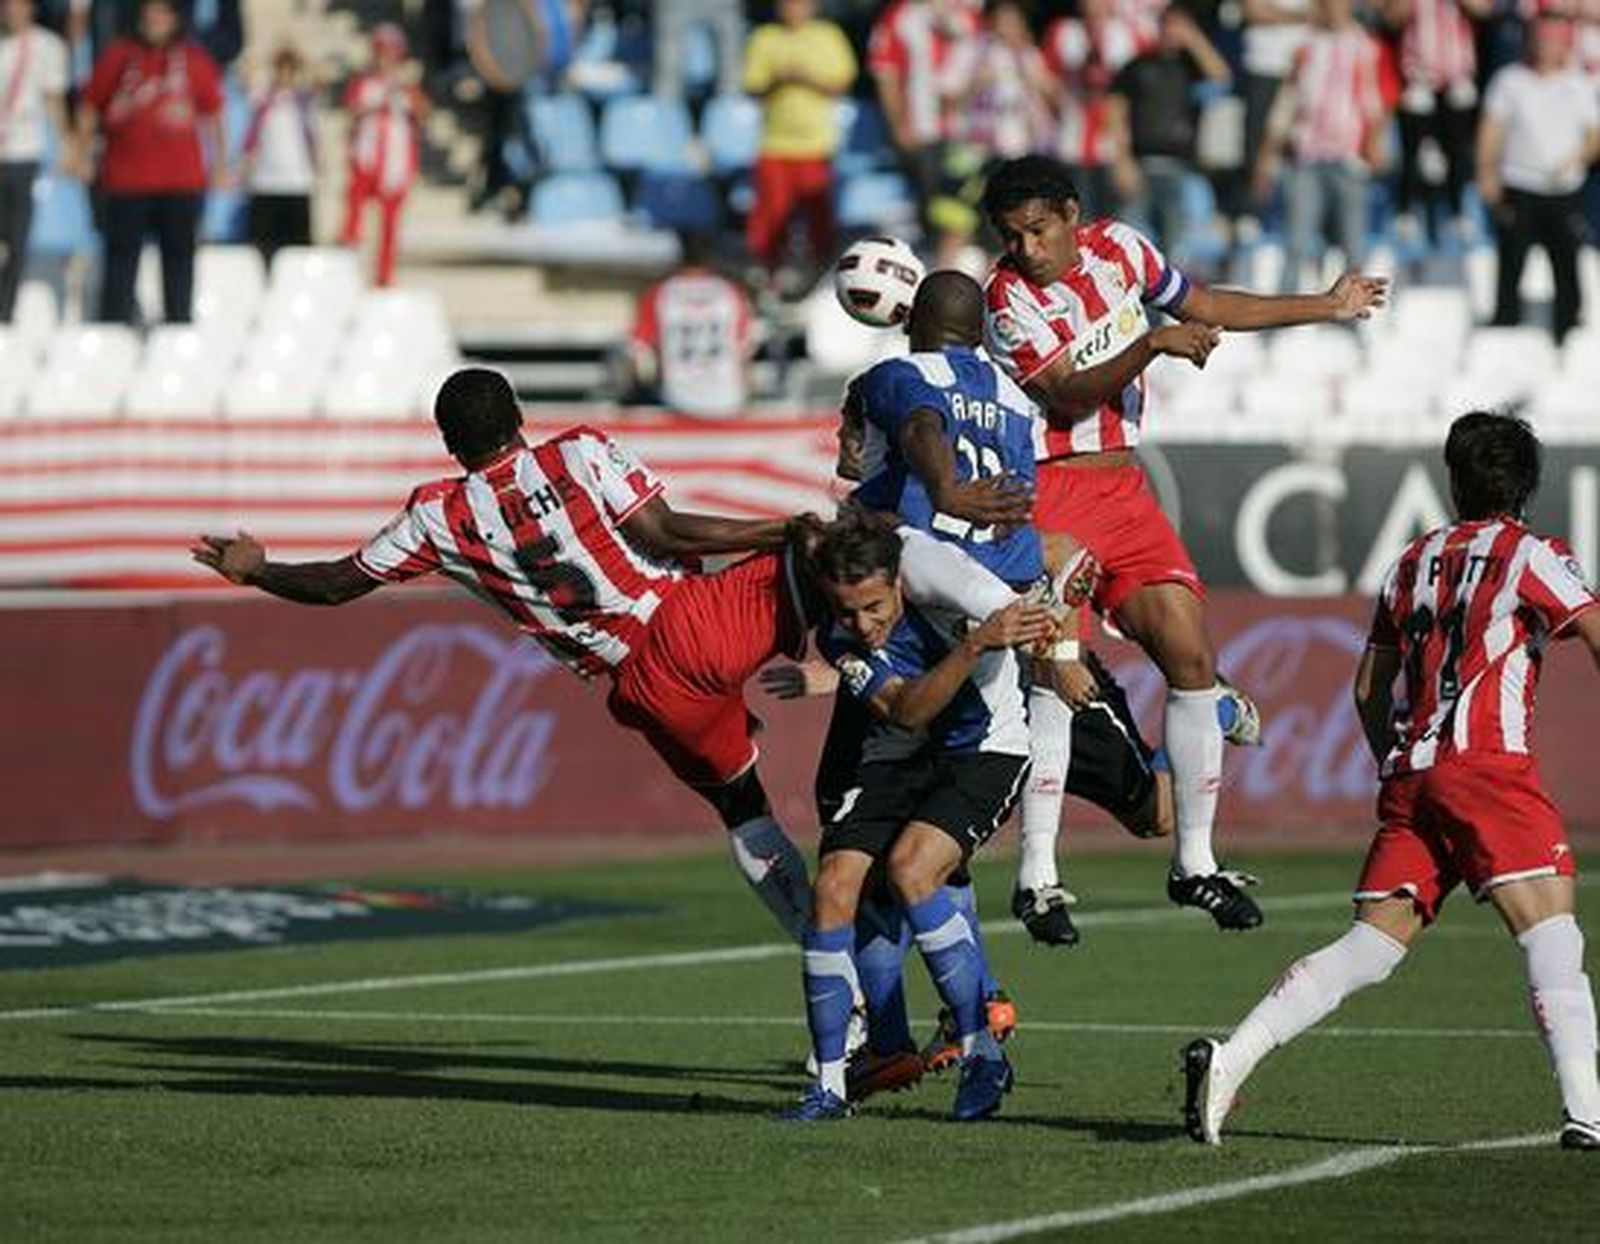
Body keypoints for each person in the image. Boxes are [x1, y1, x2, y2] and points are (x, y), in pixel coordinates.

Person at [191, 366, 816, 951]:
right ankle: (888, 719)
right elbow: (665, 532)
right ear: (518, 414)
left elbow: (335, 584)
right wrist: (785, 530)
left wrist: (259, 571)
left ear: (448, 444)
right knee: (843, 557)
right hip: (691, 619)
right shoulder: (576, 451)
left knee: (743, 811)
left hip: (645, 688)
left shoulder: (437, 517)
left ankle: (828, 959)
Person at [979, 153, 1387, 931]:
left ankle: (1194, 864)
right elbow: (1069, 390)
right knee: (1057, 667)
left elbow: (1202, 301)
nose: (1027, 249)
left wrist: (1326, 305)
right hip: (1048, 489)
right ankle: (1037, 877)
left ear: (1070, 214)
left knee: (1191, 656)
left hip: (1124, 490)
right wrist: (1154, 346)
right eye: (1012, 236)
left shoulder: (1122, 249)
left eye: (1037, 231)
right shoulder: (1006, 299)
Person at [1183, 411, 1600, 1151]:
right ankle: (1588, 1113)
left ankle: (1232, 1057)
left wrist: (1394, 760)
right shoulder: (1533, 554)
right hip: (1487, 767)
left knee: (1371, 946)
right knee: (1552, 932)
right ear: (1527, 486)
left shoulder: (1410, 560)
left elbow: (1369, 688)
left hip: (1414, 772)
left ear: (1454, 479)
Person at [779, 509, 1052, 1122]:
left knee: (912, 870)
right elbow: (905, 712)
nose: (862, 624)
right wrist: (975, 645)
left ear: (897, 582)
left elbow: (1022, 606)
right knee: (832, 888)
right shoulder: (840, 638)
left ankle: (983, 1055)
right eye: (847, 610)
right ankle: (829, 1086)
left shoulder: (942, 583)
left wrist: (1050, 644)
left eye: (874, 606)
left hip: (987, 751)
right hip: (904, 753)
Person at [75, 0, 224, 325]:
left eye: (162, 13)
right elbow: (90, 106)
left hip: (181, 181)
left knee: (179, 261)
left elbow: (214, 112)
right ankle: (113, 330)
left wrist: (221, 165)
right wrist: (82, 154)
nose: (155, 19)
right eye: (149, 13)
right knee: (120, 262)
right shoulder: (118, 56)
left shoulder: (193, 58)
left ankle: (177, 330)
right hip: (127, 180)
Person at [1477, 13, 1600, 344]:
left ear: (1565, 45)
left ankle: (1568, 329)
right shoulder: (1510, 80)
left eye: (1554, 40)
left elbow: (1593, 136)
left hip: (1563, 190)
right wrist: (1486, 172)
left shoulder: (1579, 84)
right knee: (1511, 262)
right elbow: (1491, 130)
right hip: (1519, 185)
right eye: (1541, 38)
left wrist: (1574, 158)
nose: (1546, 46)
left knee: (1566, 264)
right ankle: (1504, 325)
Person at [1254, 0, 1388, 292]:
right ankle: (1283, 315)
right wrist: (1267, 156)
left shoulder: (1364, 46)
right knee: (1296, 241)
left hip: (1349, 158)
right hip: (1307, 157)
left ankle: (1353, 315)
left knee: (1353, 244)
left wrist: (1376, 144)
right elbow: (1286, 102)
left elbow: (1373, 102)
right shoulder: (1305, 45)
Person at [741, 0, 856, 285]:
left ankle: (823, 279)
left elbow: (841, 84)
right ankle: (769, 280)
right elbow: (753, 86)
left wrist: (806, 78)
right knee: (771, 218)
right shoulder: (764, 37)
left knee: (819, 220)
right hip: (774, 144)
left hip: (815, 146)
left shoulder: (828, 35)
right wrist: (779, 79)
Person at [1105, 2, 1231, 259]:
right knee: (1132, 243)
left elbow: (1222, 78)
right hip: (1141, 165)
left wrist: (1194, 40)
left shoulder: (1192, 67)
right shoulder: (1138, 65)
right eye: (1170, 24)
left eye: (1181, 25)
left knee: (1176, 246)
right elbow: (1115, 113)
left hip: (1181, 167)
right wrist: (1121, 160)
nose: (1174, 31)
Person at [1382, 0, 1488, 246]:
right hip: (1418, 78)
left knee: (1458, 150)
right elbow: (1391, 18)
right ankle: (1406, 211)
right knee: (1413, 151)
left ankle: (1457, 211)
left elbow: (1483, 9)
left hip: (1457, 78)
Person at [625, 232, 755, 418]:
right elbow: (744, 352)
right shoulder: (731, 292)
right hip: (729, 399)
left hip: (677, 400)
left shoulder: (660, 293)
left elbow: (638, 351)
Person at [1043, 0, 1151, 220]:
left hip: (1113, 145)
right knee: (1074, 218)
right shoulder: (1063, 31)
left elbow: (1140, 87)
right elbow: (1047, 79)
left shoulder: (1129, 33)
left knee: (1112, 221)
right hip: (1070, 140)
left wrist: (1125, 151)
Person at [339, 22, 429, 288]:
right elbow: (353, 111)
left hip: (394, 161)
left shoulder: (407, 86)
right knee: (354, 209)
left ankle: (384, 276)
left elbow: (422, 114)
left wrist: (402, 92)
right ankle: (348, 264)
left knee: (390, 222)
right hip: (367, 159)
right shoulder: (363, 83)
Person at [0, 0, 68, 322]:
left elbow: (54, 102)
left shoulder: (46, 46)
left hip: (21, 154)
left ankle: (5, 314)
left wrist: (68, 148)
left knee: (16, 239)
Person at [241, 41, 317, 266]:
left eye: (289, 68)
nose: (284, 74)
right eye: (280, 68)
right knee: (263, 248)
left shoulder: (302, 98)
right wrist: (270, 60)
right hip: (266, 181)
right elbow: (246, 71)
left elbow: (321, 76)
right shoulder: (263, 97)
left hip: (297, 181)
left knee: (298, 249)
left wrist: (298, 57)